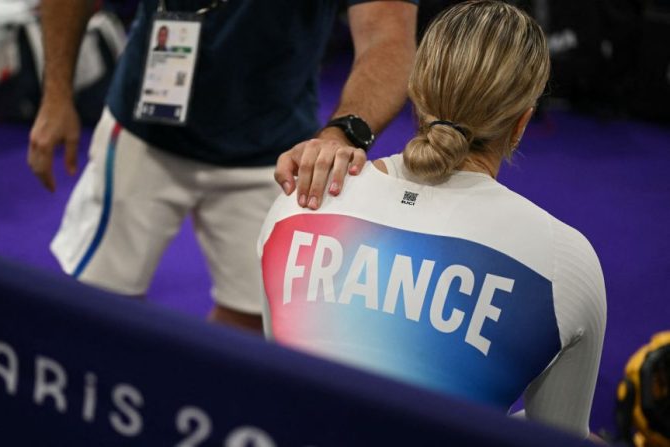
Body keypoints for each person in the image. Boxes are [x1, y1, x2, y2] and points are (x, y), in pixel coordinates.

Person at [258, 0, 606, 439]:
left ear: (417, 94)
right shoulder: (564, 263)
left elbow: (295, 391)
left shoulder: (300, 202)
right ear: (521, 123)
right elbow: (557, 438)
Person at [27, 0, 418, 332]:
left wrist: (342, 132)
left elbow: (388, 33)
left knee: (253, 322)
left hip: (276, 153)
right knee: (98, 308)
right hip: (142, 132)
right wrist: (56, 95)